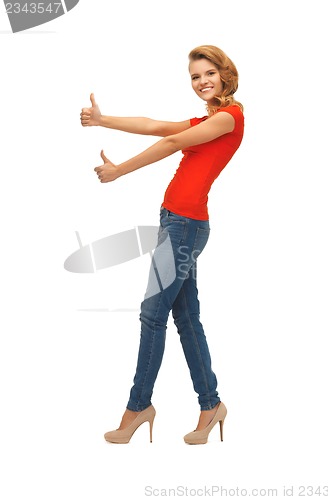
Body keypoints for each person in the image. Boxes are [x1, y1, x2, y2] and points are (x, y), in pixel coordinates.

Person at [80, 45, 244, 444]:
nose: (202, 81)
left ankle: (138, 408)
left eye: (208, 73)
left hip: (185, 227)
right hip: (175, 222)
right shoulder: (208, 118)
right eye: (194, 76)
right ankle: (211, 405)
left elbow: (171, 145)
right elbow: (157, 127)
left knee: (152, 314)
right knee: (186, 319)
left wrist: (120, 170)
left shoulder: (229, 118)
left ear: (225, 74)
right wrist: (104, 120)